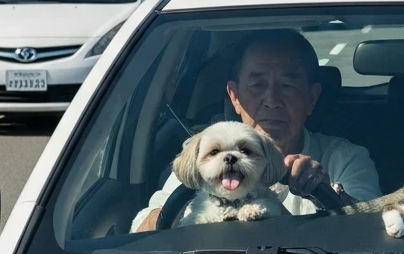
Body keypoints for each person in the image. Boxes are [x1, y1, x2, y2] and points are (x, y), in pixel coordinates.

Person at [132, 30, 380, 231]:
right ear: (235, 96)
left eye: (287, 85)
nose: (272, 100)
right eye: (257, 85)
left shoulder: (345, 159)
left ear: (312, 98)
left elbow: (374, 227)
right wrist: (177, 211)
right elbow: (142, 231)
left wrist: (326, 190)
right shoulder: (204, 158)